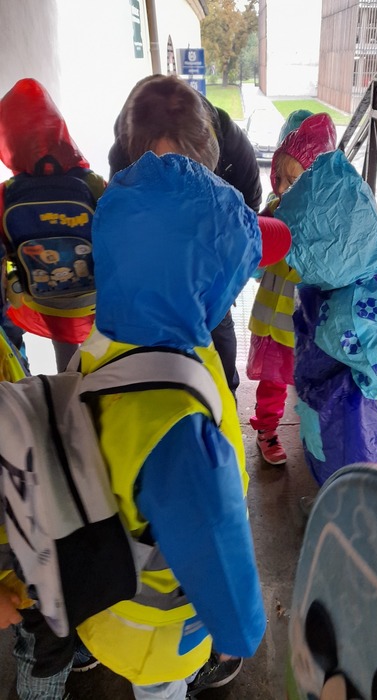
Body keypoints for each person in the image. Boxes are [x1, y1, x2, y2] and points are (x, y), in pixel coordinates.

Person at [73, 100, 266, 698]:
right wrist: (242, 633)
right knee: (161, 692)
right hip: (154, 629)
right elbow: (218, 559)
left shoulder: (100, 346)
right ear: (206, 285)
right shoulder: (179, 426)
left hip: (99, 598)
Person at [107, 74, 263, 397]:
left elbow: (249, 210)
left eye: (186, 165)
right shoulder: (122, 154)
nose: (176, 178)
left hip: (212, 240)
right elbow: (122, 221)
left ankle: (226, 395)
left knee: (218, 329)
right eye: (162, 166)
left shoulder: (234, 147)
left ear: (205, 146)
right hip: (157, 250)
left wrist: (222, 269)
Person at [275, 148, 377, 487]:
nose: (295, 262)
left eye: (301, 251)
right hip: (334, 416)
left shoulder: (351, 312)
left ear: (330, 251)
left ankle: (342, 512)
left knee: (353, 488)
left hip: (354, 430)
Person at [247, 112, 337, 465]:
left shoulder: (326, 221)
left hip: (307, 323)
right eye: (279, 178)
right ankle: (266, 429)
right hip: (274, 317)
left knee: (308, 379)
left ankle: (313, 430)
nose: (283, 188)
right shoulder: (273, 210)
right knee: (272, 381)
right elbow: (256, 260)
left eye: (293, 180)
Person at [0, 78, 106, 372]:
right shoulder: (92, 184)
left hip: (43, 300)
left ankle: (67, 388)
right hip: (95, 297)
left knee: (65, 356)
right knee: (103, 350)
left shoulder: (6, 194)